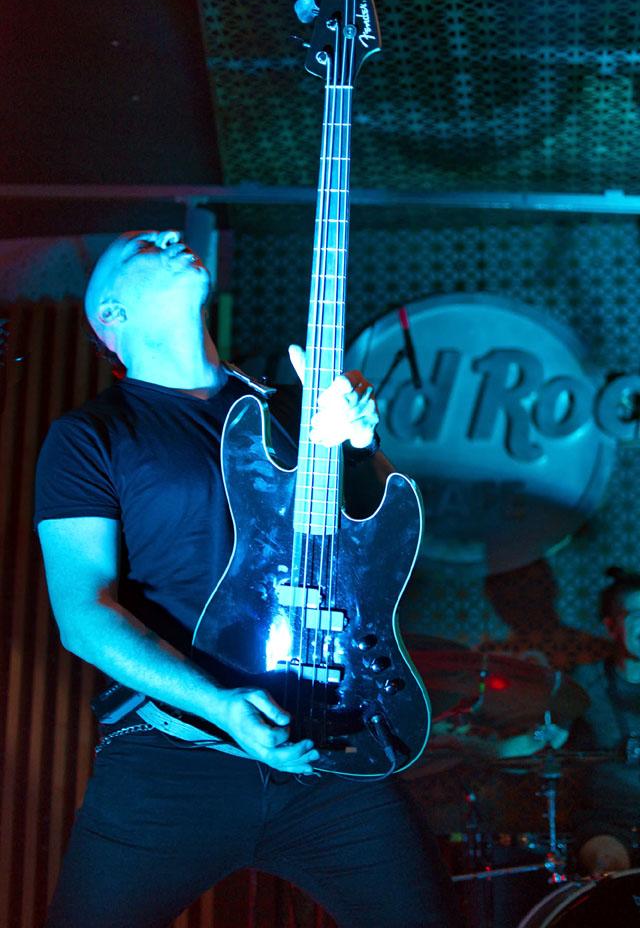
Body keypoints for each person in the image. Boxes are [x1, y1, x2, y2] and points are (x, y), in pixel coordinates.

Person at [35, 230, 462, 928]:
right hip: (174, 758)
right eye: (144, 246)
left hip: (331, 753)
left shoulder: (291, 407)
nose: (171, 236)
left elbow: (382, 539)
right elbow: (83, 614)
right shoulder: (92, 436)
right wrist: (222, 704)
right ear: (109, 313)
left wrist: (360, 443)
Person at [570, 567, 640, 877]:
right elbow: (544, 741)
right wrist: (479, 749)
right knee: (609, 867)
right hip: (607, 821)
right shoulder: (586, 681)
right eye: (636, 615)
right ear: (611, 626)